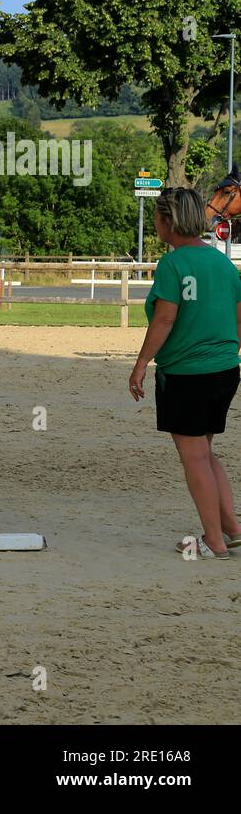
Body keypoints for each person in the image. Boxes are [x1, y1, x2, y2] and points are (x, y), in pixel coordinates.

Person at [130, 187, 241, 559]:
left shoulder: (173, 265)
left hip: (186, 373)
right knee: (206, 452)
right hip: (225, 369)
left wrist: (142, 362)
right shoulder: (224, 264)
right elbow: (239, 320)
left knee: (194, 457)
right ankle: (231, 528)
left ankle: (214, 541)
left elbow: (165, 317)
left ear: (166, 221)